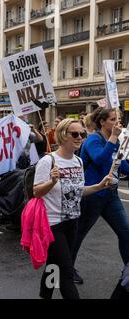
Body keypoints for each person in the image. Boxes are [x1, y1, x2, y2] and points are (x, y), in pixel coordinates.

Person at [33, 119, 110, 299]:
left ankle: (45, 295)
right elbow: (36, 192)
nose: (79, 138)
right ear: (62, 135)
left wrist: (99, 186)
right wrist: (52, 181)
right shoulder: (48, 161)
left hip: (72, 222)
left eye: (82, 134)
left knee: (54, 263)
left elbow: (78, 192)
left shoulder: (78, 162)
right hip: (52, 225)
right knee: (66, 272)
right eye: (74, 134)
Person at [71, 107, 129, 284]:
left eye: (117, 119)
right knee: (79, 233)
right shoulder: (92, 141)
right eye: (112, 119)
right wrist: (113, 138)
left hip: (110, 196)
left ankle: (128, 270)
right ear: (102, 122)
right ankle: (67, 269)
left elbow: (121, 164)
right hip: (92, 194)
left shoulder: (115, 141)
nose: (117, 123)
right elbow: (101, 160)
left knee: (126, 232)